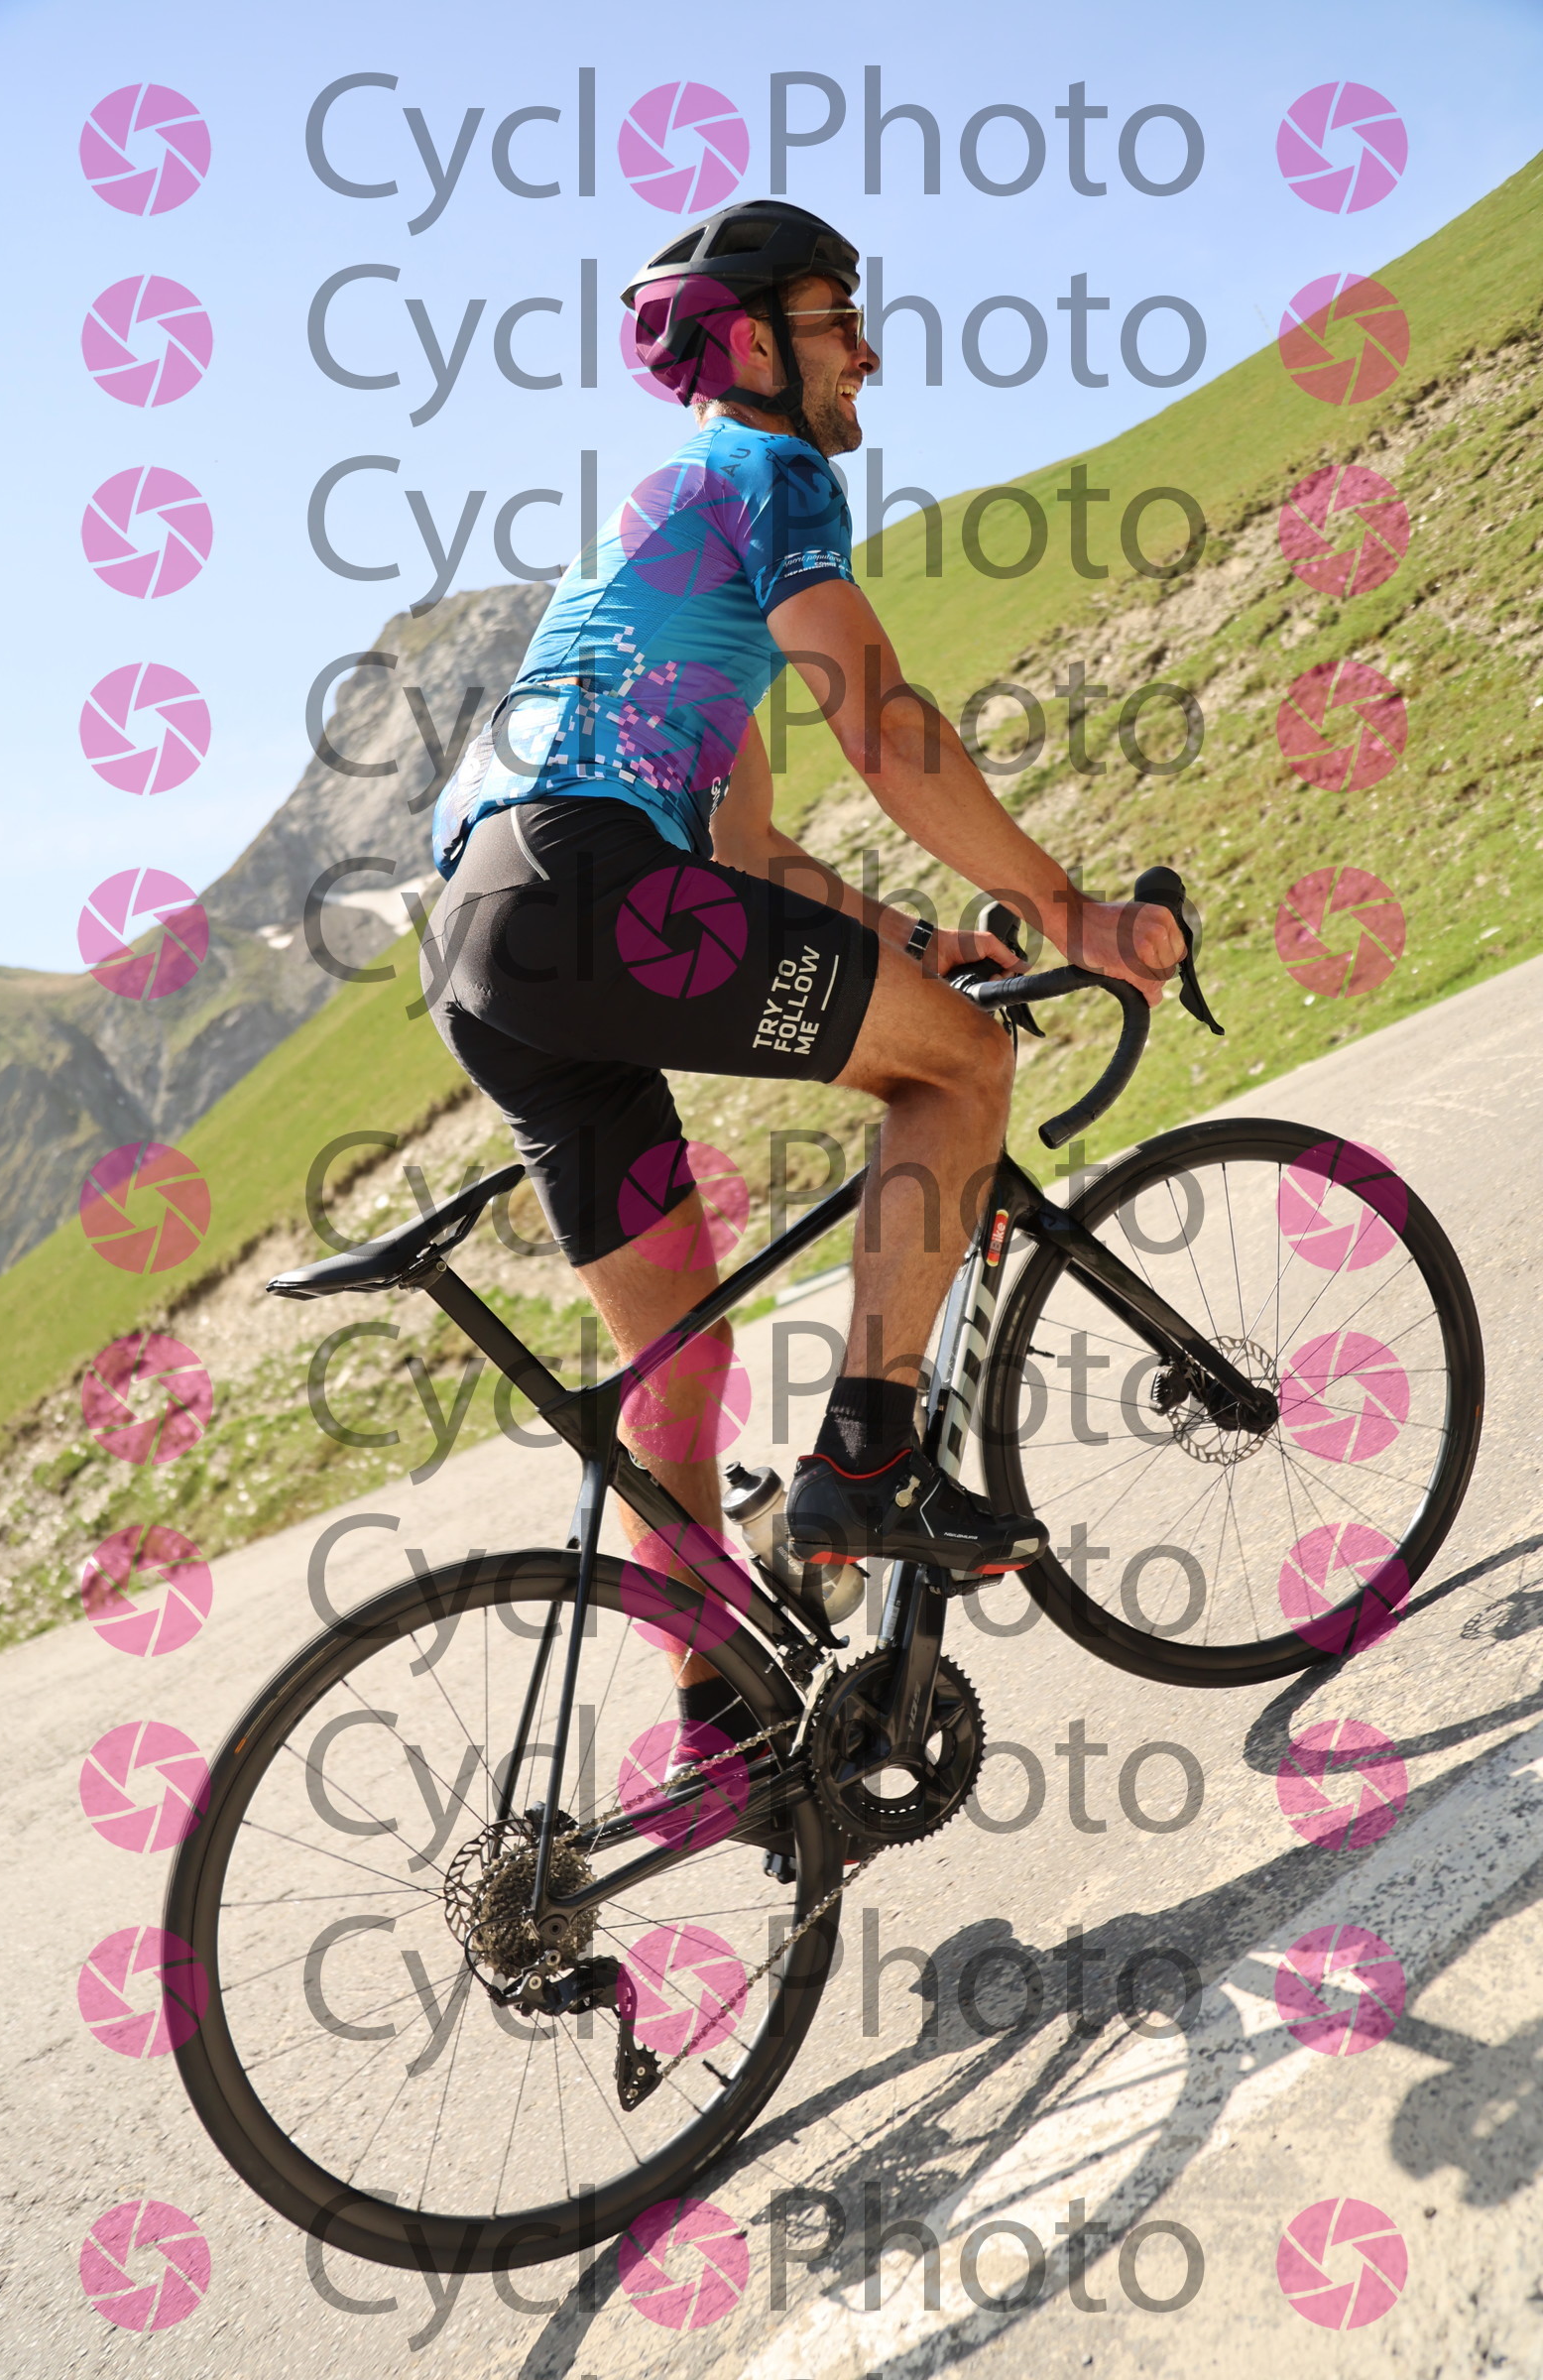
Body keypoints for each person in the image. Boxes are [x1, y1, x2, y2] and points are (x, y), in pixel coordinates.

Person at [427, 199, 1181, 1745]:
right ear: (756, 342)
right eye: (841, 320)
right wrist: (1072, 912)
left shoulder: (656, 535)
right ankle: (869, 1462)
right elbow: (884, 722)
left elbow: (750, 847)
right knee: (960, 1064)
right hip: (590, 883)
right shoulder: (765, 472)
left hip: (480, 938)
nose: (868, 354)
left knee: (677, 1365)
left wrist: (917, 940)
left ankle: (723, 1727)